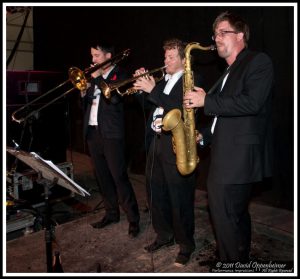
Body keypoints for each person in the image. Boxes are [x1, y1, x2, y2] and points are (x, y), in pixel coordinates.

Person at [184, 11, 274, 262]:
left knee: (226, 222)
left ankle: (231, 264)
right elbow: (224, 117)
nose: (217, 38)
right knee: (235, 218)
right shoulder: (228, 71)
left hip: (238, 159)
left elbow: (252, 103)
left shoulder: (258, 61)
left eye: (223, 32)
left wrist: (207, 100)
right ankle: (239, 261)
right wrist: (204, 136)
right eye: (215, 34)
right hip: (227, 155)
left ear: (241, 35)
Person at [133, 38, 204, 267]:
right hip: (156, 141)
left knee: (180, 198)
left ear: (184, 59)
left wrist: (152, 88)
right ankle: (164, 234)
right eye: (165, 56)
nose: (165, 60)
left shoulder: (190, 79)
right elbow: (150, 105)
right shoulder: (164, 80)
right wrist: (140, 88)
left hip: (177, 144)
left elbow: (178, 108)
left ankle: (186, 245)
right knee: (156, 192)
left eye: (171, 57)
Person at [81, 41, 140, 238]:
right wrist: (84, 92)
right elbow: (88, 104)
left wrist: (97, 80)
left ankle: (133, 219)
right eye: (92, 56)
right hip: (93, 132)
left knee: (119, 178)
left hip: (112, 135)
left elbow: (114, 99)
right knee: (103, 178)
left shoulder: (119, 75)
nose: (93, 60)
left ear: (107, 56)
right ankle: (111, 213)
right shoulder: (94, 77)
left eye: (96, 55)